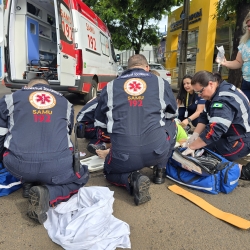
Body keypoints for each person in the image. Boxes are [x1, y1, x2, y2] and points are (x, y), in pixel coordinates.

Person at [0, 78, 89, 224]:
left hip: (18, 165)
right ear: (49, 88)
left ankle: (28, 181)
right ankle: (48, 193)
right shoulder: (66, 103)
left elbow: (0, 136)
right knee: (82, 175)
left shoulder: (10, 98)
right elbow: (65, 133)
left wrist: (4, 162)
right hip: (57, 167)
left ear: (27, 87)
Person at [94, 54, 177, 206]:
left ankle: (131, 179)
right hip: (157, 151)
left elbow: (100, 123)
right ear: (147, 68)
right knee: (172, 123)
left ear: (127, 69)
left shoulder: (110, 87)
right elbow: (171, 114)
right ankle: (160, 171)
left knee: (109, 172)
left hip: (124, 157)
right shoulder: (161, 83)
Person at [181, 71, 250, 180]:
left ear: (210, 84)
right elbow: (204, 115)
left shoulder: (223, 99)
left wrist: (192, 146)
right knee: (200, 146)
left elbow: (214, 131)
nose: (200, 95)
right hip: (231, 134)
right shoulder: (220, 89)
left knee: (203, 157)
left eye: (200, 92)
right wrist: (195, 134)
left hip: (239, 141)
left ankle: (241, 171)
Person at [218, 12, 250, 100]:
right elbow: (238, 62)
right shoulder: (244, 42)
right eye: (248, 26)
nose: (249, 29)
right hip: (246, 83)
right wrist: (224, 62)